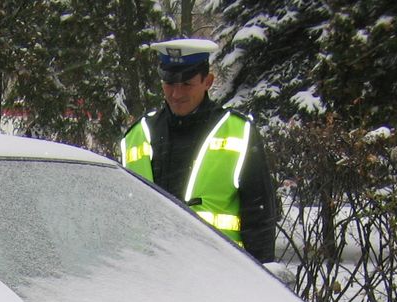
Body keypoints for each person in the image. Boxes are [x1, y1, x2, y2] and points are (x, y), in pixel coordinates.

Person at [120, 37, 279, 263]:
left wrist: (261, 278)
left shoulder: (237, 131)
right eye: (169, 83)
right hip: (150, 273)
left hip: (217, 271)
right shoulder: (137, 134)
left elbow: (259, 216)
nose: (176, 94)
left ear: (208, 81)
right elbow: (122, 214)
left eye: (186, 84)